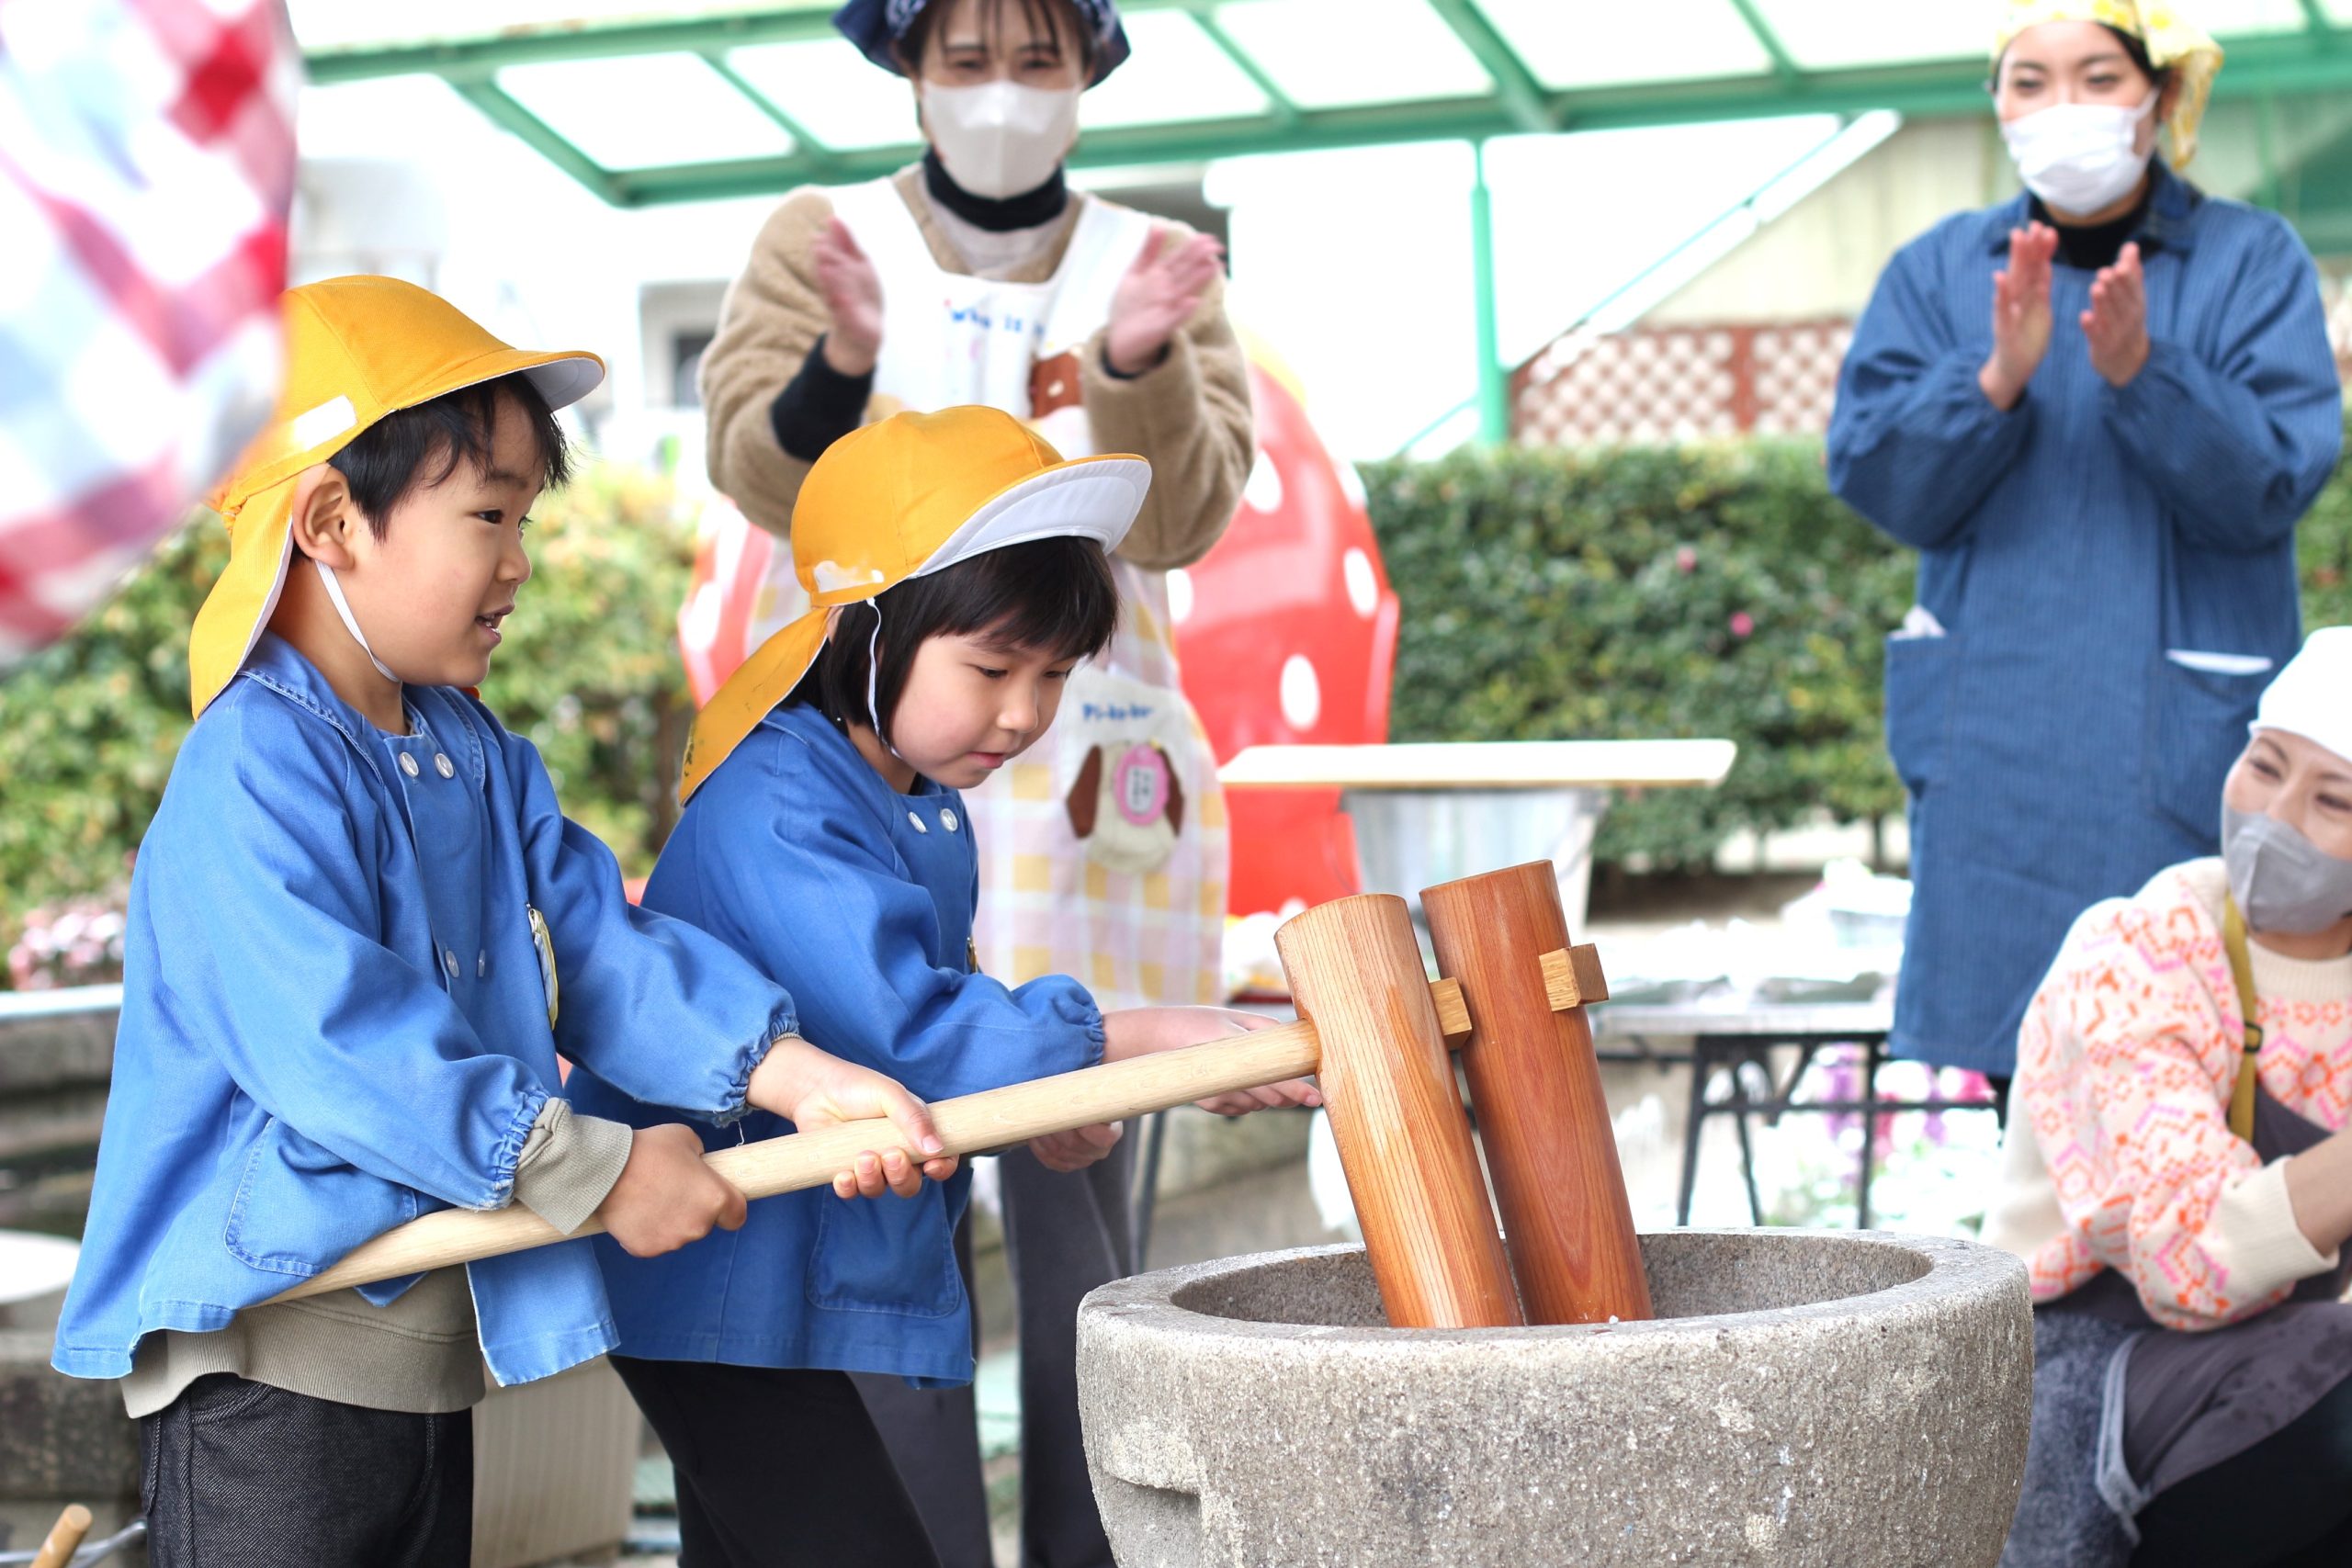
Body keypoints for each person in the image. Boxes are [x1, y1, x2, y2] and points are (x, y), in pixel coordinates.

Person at [49, 276, 953, 1568]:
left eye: (524, 516)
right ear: (328, 520)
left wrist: (800, 1079)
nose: (520, 560)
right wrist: (588, 1164)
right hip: (275, 1358)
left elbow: (607, 947)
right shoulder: (251, 765)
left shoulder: (477, 753)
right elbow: (335, 1037)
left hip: (426, 1337)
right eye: (488, 514)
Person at [696, 1, 1254, 1559]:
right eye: (966, 60)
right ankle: (914, 1522)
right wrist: (843, 359)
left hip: (1093, 774)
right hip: (872, 755)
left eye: (1036, 59)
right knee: (879, 1136)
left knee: (1086, 1176)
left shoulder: (1160, 256)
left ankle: (1102, 1536)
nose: (1002, 95)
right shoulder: (822, 236)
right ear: (907, 67)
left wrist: (1137, 361)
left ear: (1091, 68)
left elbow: (1192, 510)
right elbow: (751, 467)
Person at [570, 406, 1317, 1568]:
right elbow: (911, 1034)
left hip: (778, 1277)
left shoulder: (910, 792)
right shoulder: (782, 802)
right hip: (725, 1278)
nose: (1023, 712)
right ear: (867, 631)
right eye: (991, 667)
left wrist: (1043, 1107)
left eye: (1053, 675)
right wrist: (1140, 1037)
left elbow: (921, 1020)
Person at [1825, 1, 2342, 1089]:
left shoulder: (2251, 262)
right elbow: (1876, 476)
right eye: (2029, 80)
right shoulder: (1937, 273)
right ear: (1997, 102)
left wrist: (2143, 373)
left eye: (2098, 77)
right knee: (2026, 1100)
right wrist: (1994, 380)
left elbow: (2270, 484)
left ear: (2160, 97)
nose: (2063, 107)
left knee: (2197, 1059)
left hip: (2176, 751)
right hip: (1996, 755)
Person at [1985, 626, 2352, 1568]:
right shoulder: (2140, 951)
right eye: (2262, 766)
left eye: (2332, 800)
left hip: (2297, 1373)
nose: (2273, 817)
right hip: (2087, 1382)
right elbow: (2183, 1263)